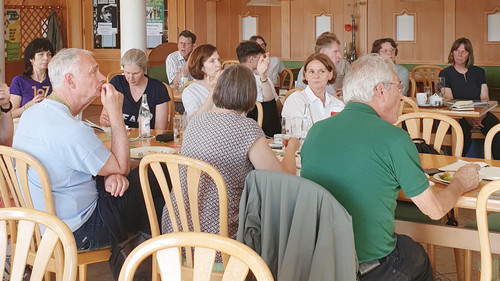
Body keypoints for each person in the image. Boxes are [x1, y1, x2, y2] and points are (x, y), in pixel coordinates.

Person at [300, 54, 480, 281]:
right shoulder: (394, 138)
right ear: (380, 91)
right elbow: (434, 211)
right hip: (369, 268)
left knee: (405, 244)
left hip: (319, 264)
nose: (402, 96)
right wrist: (460, 183)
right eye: (398, 87)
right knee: (418, 257)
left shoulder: (316, 131)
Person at [13, 48, 150, 250]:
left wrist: (109, 174)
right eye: (94, 72)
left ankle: (135, 256)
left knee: (131, 187)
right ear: (70, 80)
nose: (102, 77)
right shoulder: (71, 130)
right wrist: (115, 114)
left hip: (37, 225)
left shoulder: (31, 114)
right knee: (152, 176)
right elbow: (121, 166)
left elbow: (89, 159)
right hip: (77, 231)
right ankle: (143, 260)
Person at [162, 64, 299, 241]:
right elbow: (284, 181)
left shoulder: (195, 122)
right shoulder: (246, 128)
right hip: (222, 239)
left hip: (174, 235)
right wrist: (291, 149)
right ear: (250, 94)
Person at [439, 37, 500, 159]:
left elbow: (484, 97)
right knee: (462, 134)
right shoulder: (445, 73)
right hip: (458, 115)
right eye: (456, 51)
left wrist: (481, 114)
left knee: (497, 131)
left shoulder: (479, 72)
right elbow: (449, 99)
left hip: (479, 113)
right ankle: (457, 165)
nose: (459, 54)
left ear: (469, 54)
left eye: (464, 52)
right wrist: (468, 116)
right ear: (452, 53)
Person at [100, 48, 169, 130]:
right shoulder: (117, 83)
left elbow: (160, 129)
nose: (130, 78)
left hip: (147, 138)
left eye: (136, 73)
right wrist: (104, 120)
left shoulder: (158, 89)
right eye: (127, 73)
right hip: (119, 136)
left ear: (144, 70)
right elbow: (104, 116)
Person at [282, 53, 344, 122]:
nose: (316, 76)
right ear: (305, 75)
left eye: (321, 71)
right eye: (311, 72)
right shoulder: (295, 101)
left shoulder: (338, 105)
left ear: (330, 74)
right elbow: (296, 132)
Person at [237, 41, 281, 137]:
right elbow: (272, 103)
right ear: (251, 59)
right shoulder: (258, 80)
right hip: (256, 128)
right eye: (260, 58)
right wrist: (263, 75)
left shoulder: (230, 78)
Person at [296, 32, 350, 98]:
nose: (340, 56)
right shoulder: (321, 71)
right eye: (335, 52)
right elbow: (336, 104)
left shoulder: (306, 67)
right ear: (323, 53)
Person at [10, 38, 54, 118]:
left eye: (49, 54)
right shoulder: (19, 81)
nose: (46, 58)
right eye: (41, 54)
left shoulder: (55, 79)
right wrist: (29, 105)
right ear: (31, 59)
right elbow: (11, 114)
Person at [181, 44, 221, 119]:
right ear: (201, 67)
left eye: (218, 60)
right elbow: (193, 122)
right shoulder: (190, 91)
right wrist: (213, 92)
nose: (218, 64)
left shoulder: (228, 86)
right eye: (212, 61)